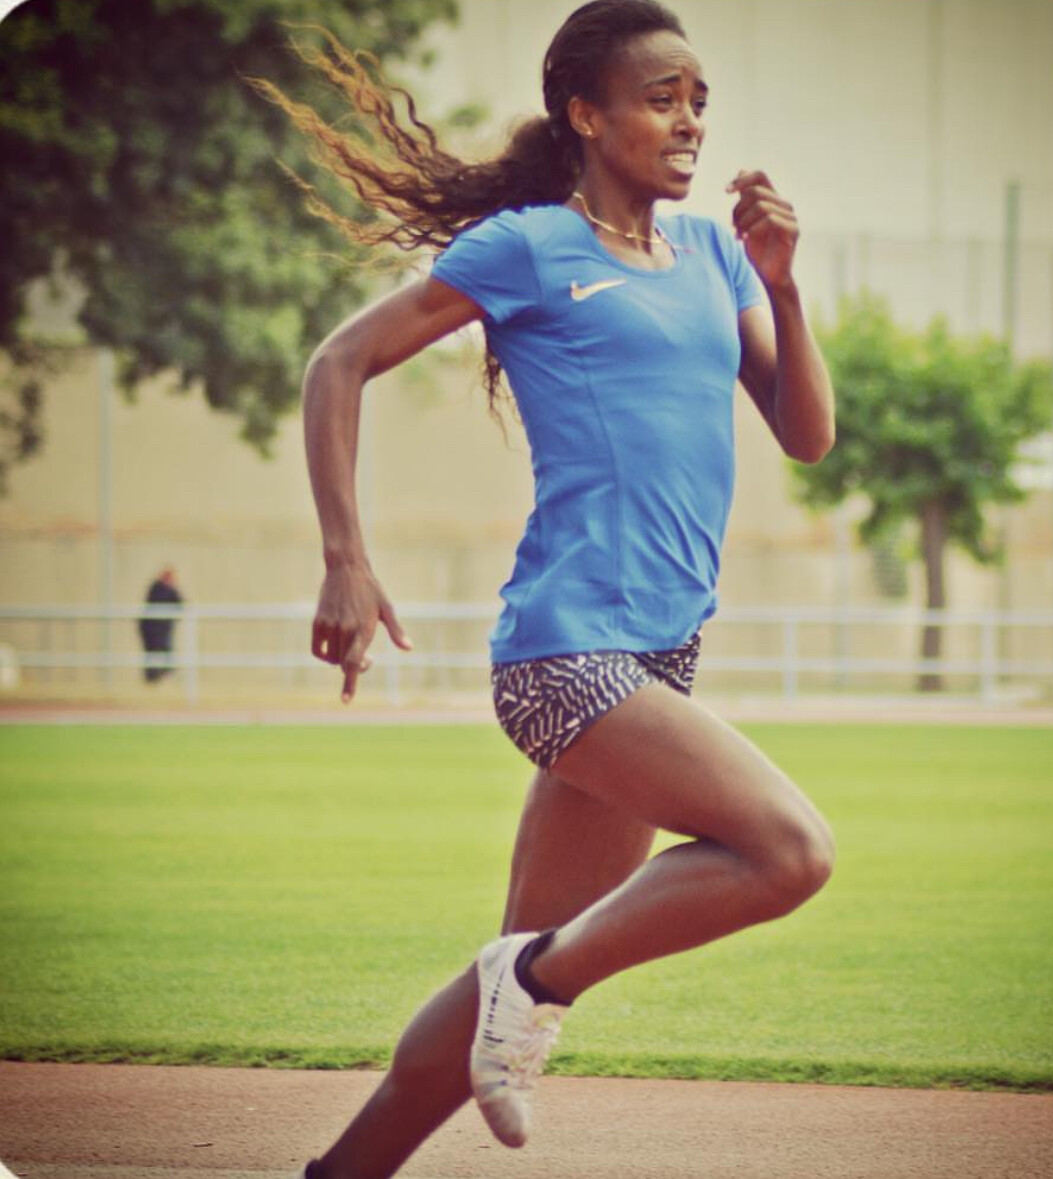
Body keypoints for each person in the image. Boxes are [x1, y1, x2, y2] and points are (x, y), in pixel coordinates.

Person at [271, 2, 836, 1175]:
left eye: (698, 102)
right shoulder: (528, 248)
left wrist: (784, 289)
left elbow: (806, 435)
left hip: (659, 658)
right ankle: (528, 982)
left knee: (514, 960)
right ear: (585, 114)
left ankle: (348, 1165)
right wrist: (345, 558)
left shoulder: (715, 255)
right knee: (788, 852)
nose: (688, 122)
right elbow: (340, 360)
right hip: (564, 652)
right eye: (660, 99)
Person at [137, 567, 183, 683]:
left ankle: (160, 676)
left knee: (162, 652)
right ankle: (153, 678)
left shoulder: (165, 590)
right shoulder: (158, 588)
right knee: (154, 653)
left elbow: (181, 604)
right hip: (152, 629)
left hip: (161, 629)